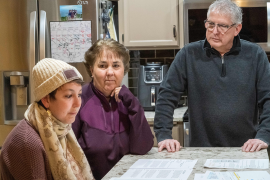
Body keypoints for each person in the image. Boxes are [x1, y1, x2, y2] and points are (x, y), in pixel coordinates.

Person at [154, 0, 270, 153]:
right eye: (210, 24)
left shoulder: (255, 54)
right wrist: (163, 135)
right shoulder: (188, 54)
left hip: (246, 150)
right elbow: (167, 96)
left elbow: (268, 98)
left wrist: (264, 135)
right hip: (201, 150)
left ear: (237, 29)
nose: (214, 31)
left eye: (222, 26)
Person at [0, 58, 94, 180]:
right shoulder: (28, 142)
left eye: (79, 94)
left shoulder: (61, 128)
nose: (78, 103)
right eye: (69, 96)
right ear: (46, 99)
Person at [72, 39, 153, 180]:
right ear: (91, 70)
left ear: (124, 69)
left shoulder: (128, 100)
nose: (110, 72)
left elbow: (142, 147)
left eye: (116, 66)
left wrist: (132, 103)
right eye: (103, 66)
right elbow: (67, 155)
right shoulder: (78, 101)